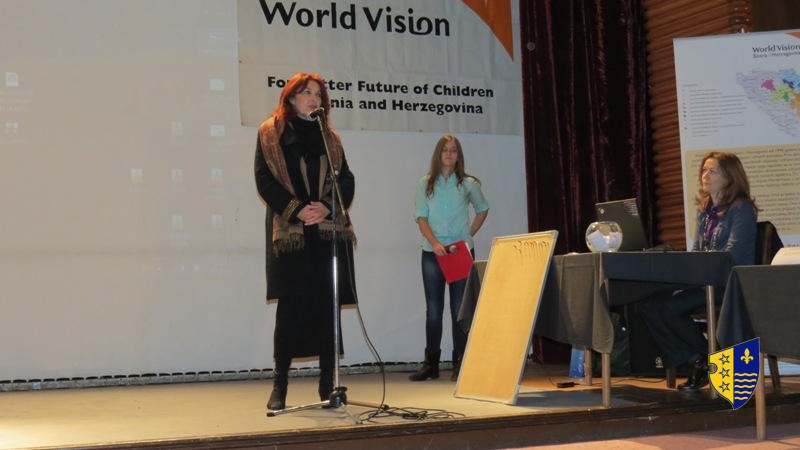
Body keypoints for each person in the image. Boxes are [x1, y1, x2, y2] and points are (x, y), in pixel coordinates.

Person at [254, 73, 357, 411]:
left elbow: (346, 179)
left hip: (325, 231)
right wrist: (298, 209)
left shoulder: (330, 138)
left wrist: (326, 206)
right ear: (291, 98)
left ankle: (328, 384)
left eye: (319, 94)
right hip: (292, 233)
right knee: (290, 309)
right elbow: (265, 181)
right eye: (307, 92)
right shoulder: (271, 134)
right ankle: (280, 385)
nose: (315, 98)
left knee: (328, 307)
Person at [637, 151, 757, 392]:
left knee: (670, 309)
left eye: (713, 171)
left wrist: (697, 272)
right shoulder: (705, 211)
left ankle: (705, 361)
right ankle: (699, 359)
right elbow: (696, 251)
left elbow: (731, 255)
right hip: (706, 280)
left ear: (730, 177)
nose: (705, 175)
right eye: (704, 170)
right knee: (648, 304)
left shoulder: (742, 208)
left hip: (730, 283)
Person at [410, 135, 489, 382]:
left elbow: (483, 209)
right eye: (445, 149)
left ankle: (460, 363)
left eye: (454, 150)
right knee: (433, 310)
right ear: (438, 154)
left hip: (459, 253)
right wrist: (435, 243)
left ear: (458, 156)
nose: (449, 154)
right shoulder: (425, 183)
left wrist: (468, 235)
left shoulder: (468, 184)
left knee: (459, 310)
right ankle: (431, 364)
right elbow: (421, 217)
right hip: (432, 253)